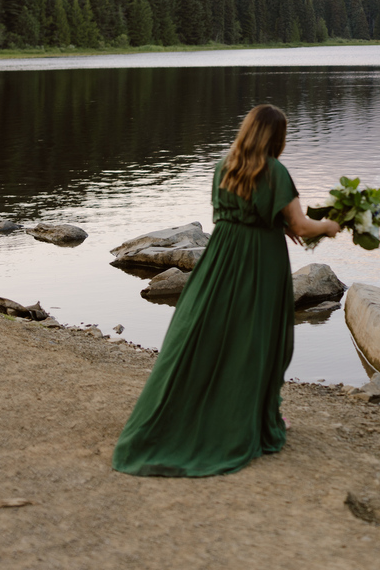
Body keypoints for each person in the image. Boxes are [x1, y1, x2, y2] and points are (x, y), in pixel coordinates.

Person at [112, 104, 340, 478]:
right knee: (259, 338)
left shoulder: (224, 166)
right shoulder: (274, 169)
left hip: (222, 257)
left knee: (211, 332)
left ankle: (191, 411)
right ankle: (247, 419)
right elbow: (299, 223)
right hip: (260, 262)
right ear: (275, 137)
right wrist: (330, 226)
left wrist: (280, 224)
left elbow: (240, 213)